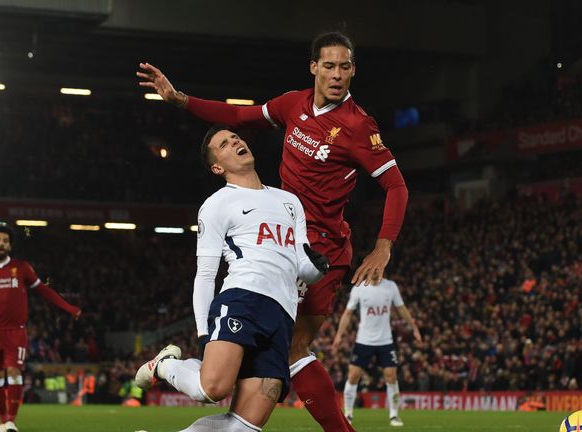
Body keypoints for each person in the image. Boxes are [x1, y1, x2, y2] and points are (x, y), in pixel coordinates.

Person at [137, 31, 408, 432]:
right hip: (272, 242)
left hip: (320, 250)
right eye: (329, 65)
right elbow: (239, 116)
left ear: (353, 71)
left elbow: (397, 186)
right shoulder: (292, 104)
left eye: (345, 67)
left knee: (295, 350)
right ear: (314, 66)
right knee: (264, 372)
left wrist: (383, 246)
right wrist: (183, 101)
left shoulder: (358, 127)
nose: (337, 75)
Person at [135, 126, 329, 431]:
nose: (235, 142)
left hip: (282, 315)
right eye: (224, 144)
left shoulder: (290, 202)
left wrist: (318, 266)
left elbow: (303, 269)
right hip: (244, 299)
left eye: (236, 138)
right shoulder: (217, 204)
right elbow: (206, 275)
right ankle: (164, 365)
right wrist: (202, 335)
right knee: (211, 388)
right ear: (217, 167)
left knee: (242, 427)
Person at [0, 225, 81, 432]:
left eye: (5, 240)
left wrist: (68, 307)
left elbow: (44, 291)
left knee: (13, 370)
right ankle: (3, 421)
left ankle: (11, 421)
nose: (1, 244)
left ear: (10, 244)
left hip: (15, 331)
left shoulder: (22, 268)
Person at [332, 277, 421, 427]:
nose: (375, 271)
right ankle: (348, 414)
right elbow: (348, 313)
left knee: (391, 376)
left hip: (385, 340)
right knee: (353, 376)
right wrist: (339, 335)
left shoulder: (391, 286)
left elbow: (401, 308)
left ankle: (394, 415)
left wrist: (414, 327)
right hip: (364, 340)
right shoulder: (359, 288)